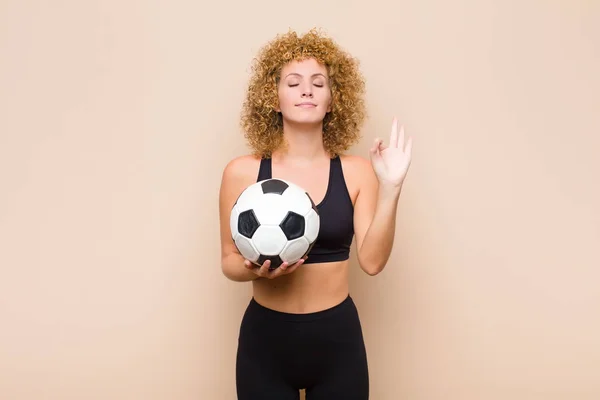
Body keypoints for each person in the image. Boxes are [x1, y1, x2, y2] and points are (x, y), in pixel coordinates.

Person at [218, 28, 413, 400]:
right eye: (293, 82)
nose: (306, 90)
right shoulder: (241, 173)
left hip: (337, 341)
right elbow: (228, 260)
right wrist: (251, 268)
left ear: (333, 99)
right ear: (272, 99)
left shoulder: (356, 172)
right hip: (266, 341)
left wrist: (391, 189)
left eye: (318, 83)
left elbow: (371, 262)